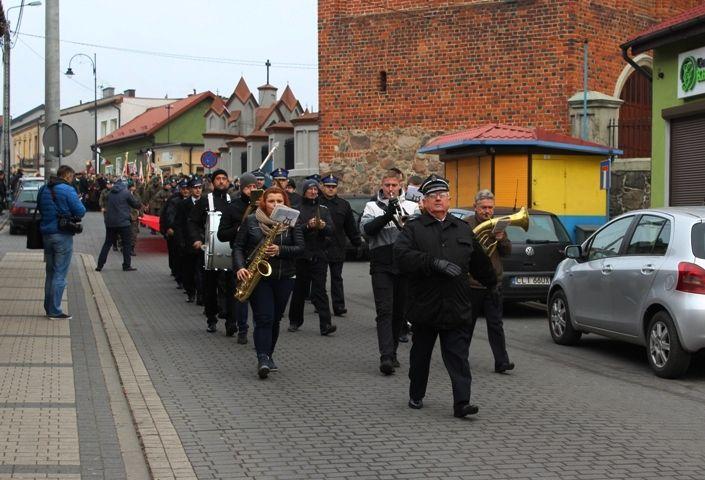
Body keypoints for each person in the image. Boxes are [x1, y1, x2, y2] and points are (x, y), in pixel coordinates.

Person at [394, 174, 497, 418]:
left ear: (450, 199)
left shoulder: (461, 228)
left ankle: (462, 403)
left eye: (442, 195)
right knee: (421, 356)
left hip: (456, 305)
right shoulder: (414, 228)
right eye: (432, 196)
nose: (438, 199)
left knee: (458, 357)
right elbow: (401, 256)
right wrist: (433, 262)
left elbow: (479, 262)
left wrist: (492, 285)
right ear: (425, 202)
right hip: (425, 306)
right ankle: (416, 393)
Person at [234, 187, 304, 378]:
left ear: (285, 203)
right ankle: (262, 357)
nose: (275, 204)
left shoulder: (292, 222)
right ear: (264, 202)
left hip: (285, 276)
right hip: (260, 277)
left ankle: (269, 354)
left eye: (279, 201)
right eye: (271, 201)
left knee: (275, 319)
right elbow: (238, 247)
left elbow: (300, 248)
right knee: (264, 317)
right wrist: (240, 267)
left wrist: (280, 250)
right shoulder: (251, 221)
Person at [360, 169, 418, 375]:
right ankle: (385, 356)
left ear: (400, 185)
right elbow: (367, 231)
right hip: (382, 263)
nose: (391, 189)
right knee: (384, 310)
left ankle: (392, 352)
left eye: (394, 185)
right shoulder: (371, 206)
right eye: (387, 185)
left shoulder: (412, 206)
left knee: (399, 312)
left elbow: (416, 234)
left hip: (404, 265)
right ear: (382, 185)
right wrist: (386, 214)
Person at [465, 189, 515, 373]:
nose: (487, 211)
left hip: (493, 283)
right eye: (483, 207)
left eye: (490, 207)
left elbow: (507, 252)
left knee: (496, 325)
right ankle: (461, 359)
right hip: (472, 283)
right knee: (467, 325)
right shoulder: (467, 224)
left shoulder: (498, 225)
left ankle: (501, 362)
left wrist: (501, 240)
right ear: (475, 207)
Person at [287, 178, 337, 336]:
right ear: (304, 191)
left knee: (320, 290)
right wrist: (307, 226)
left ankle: (326, 324)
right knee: (300, 290)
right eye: (310, 189)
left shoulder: (323, 209)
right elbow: (293, 231)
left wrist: (323, 227)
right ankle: (295, 321)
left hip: (319, 254)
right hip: (301, 255)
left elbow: (331, 229)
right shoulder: (297, 209)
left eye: (316, 189)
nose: (313, 192)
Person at [37, 165, 86, 320]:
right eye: (71, 177)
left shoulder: (44, 189)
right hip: (62, 235)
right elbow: (81, 211)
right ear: (67, 176)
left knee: (50, 273)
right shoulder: (67, 189)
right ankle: (55, 311)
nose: (72, 180)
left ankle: (48, 307)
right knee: (60, 273)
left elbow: (40, 207)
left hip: (46, 234)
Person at [188, 169, 233, 333]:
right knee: (210, 286)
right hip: (210, 249)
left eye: (224, 178)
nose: (221, 181)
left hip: (230, 249)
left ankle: (230, 319)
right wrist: (197, 239)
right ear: (213, 182)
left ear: (228, 182)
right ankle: (211, 318)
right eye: (218, 179)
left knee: (229, 286)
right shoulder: (205, 201)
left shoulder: (232, 200)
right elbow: (193, 222)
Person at [217, 172, 258, 343]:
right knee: (242, 294)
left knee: (258, 295)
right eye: (248, 187)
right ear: (242, 188)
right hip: (240, 253)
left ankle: (259, 329)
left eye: (255, 187)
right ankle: (242, 329)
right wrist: (238, 229)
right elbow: (221, 235)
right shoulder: (232, 207)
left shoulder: (264, 204)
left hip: (259, 253)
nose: (252, 190)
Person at [319, 174, 362, 316]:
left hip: (337, 246)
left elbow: (350, 227)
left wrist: (357, 243)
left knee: (337, 278)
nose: (331, 189)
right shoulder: (317, 203)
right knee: (320, 279)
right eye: (328, 187)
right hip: (320, 247)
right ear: (322, 187)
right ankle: (320, 304)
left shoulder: (344, 205)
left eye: (333, 187)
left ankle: (339, 306)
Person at [96, 178, 140, 272]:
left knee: (107, 244)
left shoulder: (109, 193)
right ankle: (126, 265)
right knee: (126, 244)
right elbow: (136, 205)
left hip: (110, 222)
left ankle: (99, 265)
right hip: (123, 222)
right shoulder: (126, 193)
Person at [175, 178, 202, 303]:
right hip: (188, 242)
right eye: (195, 187)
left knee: (201, 271)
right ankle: (191, 292)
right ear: (190, 189)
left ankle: (201, 295)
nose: (198, 190)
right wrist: (180, 241)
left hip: (202, 242)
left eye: (200, 187)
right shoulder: (183, 204)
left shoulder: (206, 202)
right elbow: (179, 224)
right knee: (189, 270)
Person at [161, 179, 191, 286]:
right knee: (176, 255)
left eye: (188, 189)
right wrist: (169, 228)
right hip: (176, 232)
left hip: (190, 233)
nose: (186, 191)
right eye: (184, 189)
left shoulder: (195, 200)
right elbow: (169, 216)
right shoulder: (174, 200)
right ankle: (178, 276)